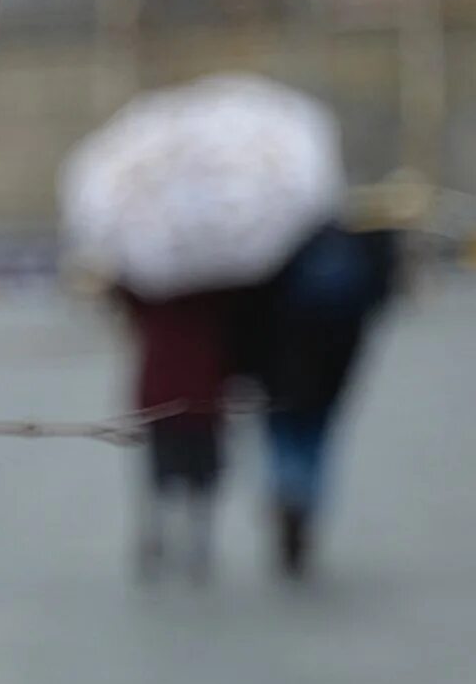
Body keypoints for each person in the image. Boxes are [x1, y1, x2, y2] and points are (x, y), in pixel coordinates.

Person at [236, 205, 407, 581]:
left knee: (282, 435)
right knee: (317, 438)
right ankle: (306, 505)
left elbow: (249, 310)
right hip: (332, 369)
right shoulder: (353, 250)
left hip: (278, 369)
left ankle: (287, 491)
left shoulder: (274, 249)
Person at [110, 283, 248, 583]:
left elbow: (125, 300)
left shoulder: (152, 282)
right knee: (203, 475)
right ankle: (197, 541)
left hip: (162, 391)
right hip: (206, 392)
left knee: (163, 472)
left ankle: (161, 535)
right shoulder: (218, 288)